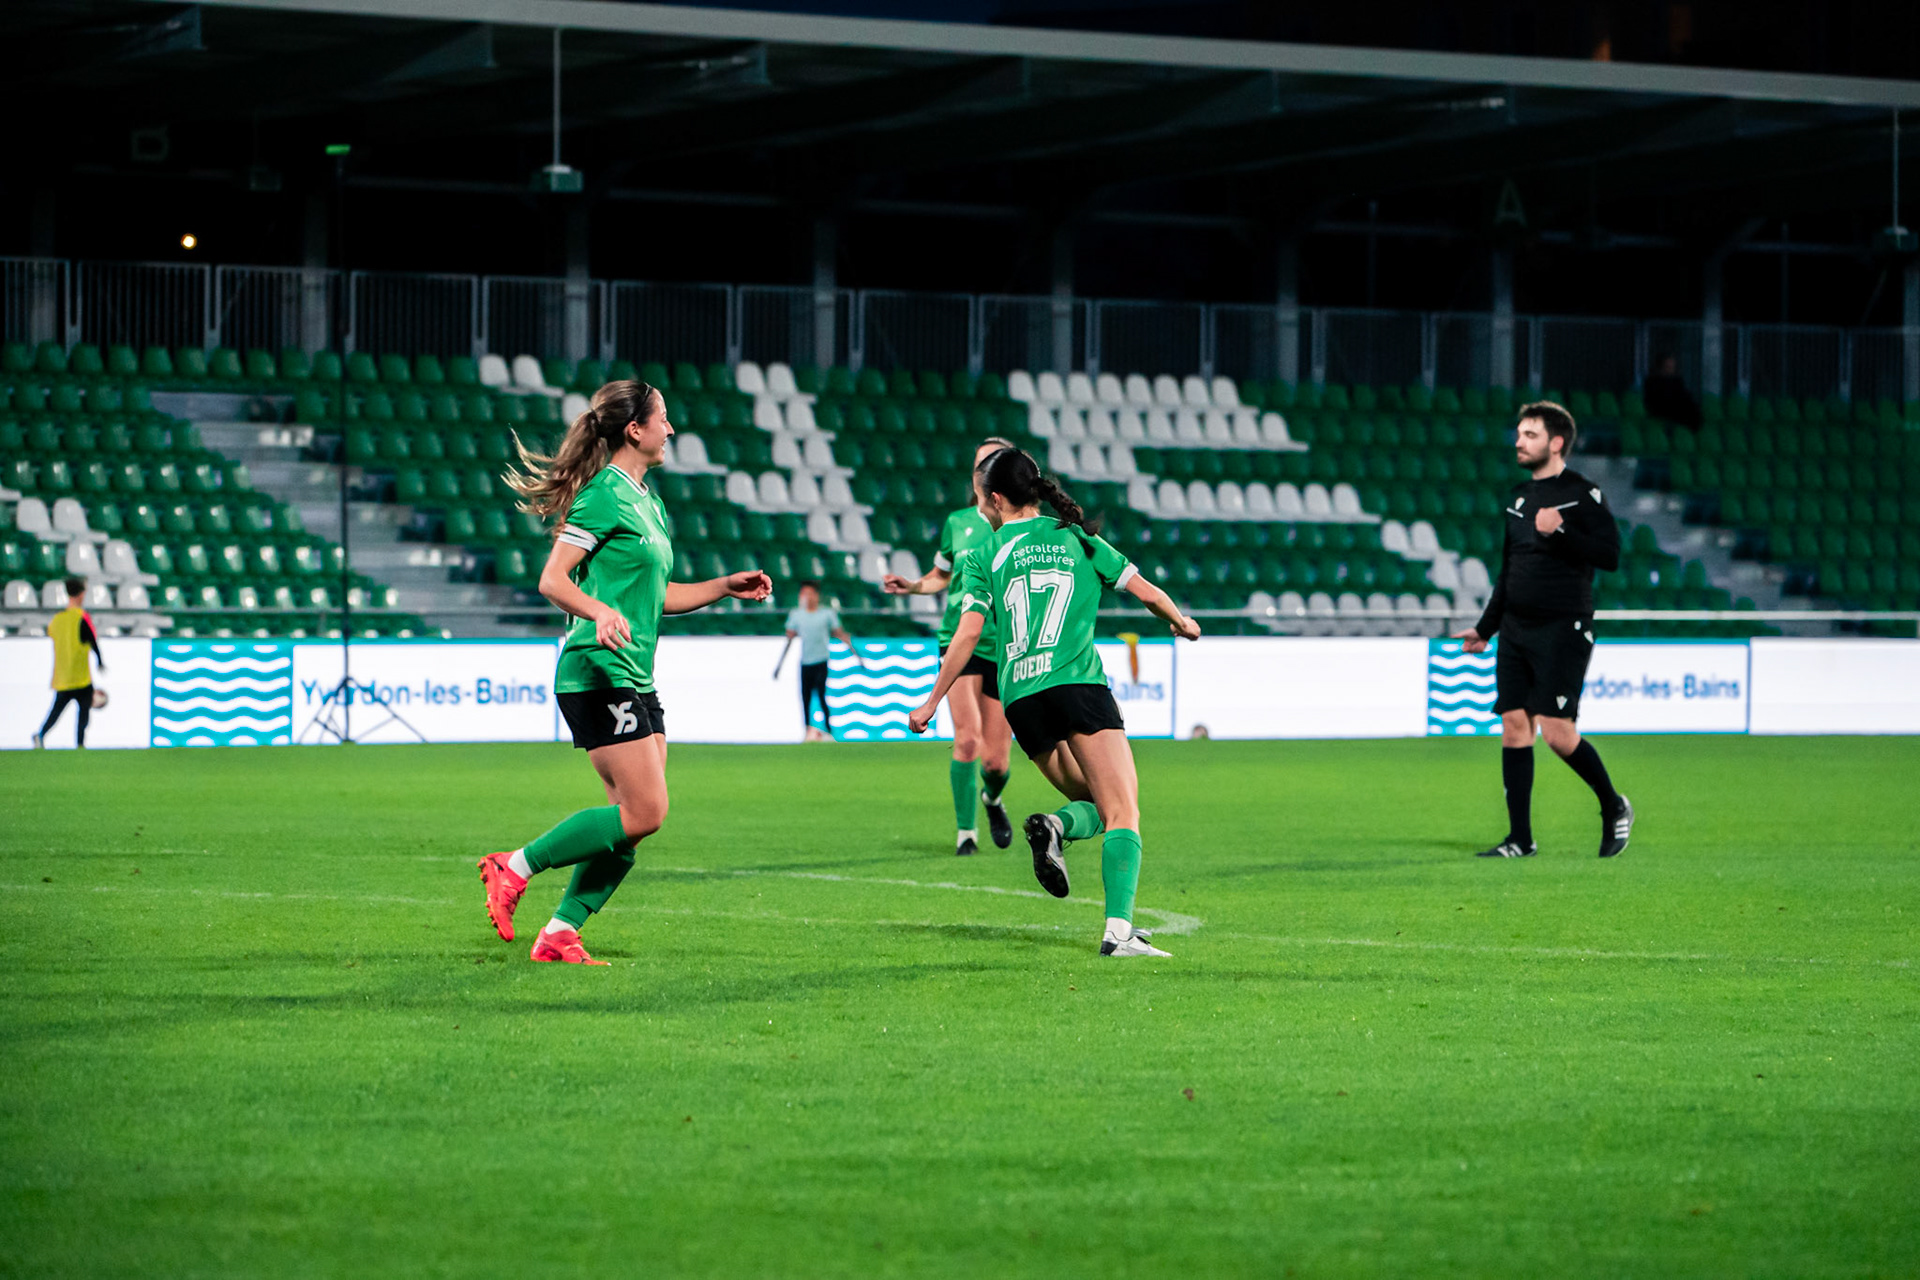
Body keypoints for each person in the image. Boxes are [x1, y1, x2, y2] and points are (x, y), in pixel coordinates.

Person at [476, 379, 772, 965]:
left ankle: (560, 933)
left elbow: (657, 595)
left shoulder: (650, 502)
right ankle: (512, 866)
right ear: (634, 430)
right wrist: (599, 610)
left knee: (632, 822)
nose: (671, 428)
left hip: (635, 673)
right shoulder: (603, 496)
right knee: (646, 811)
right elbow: (553, 580)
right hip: (596, 670)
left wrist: (722, 588)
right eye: (663, 418)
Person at [908, 447, 1201, 956]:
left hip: (1022, 698)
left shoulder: (983, 556)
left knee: (1096, 803)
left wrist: (933, 700)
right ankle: (1118, 932)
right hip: (1077, 688)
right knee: (1123, 809)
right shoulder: (1076, 536)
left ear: (996, 498)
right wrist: (1179, 622)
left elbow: (967, 632)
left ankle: (1056, 826)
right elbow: (1145, 591)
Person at [1453, 401, 1634, 860]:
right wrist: (1486, 627)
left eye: (1529, 434)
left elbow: (1610, 555)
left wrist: (1561, 532)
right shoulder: (1517, 497)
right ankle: (1520, 839)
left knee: (1556, 732)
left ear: (1556, 443)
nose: (1518, 441)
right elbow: (1508, 570)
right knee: (1514, 726)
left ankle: (1613, 805)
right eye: (1518, 433)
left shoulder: (1583, 494)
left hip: (1563, 627)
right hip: (1515, 628)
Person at [882, 438, 1020, 856]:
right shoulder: (958, 523)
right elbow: (942, 575)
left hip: (1007, 644)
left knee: (996, 763)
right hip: (959, 639)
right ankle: (966, 835)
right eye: (980, 463)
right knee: (967, 740)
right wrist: (913, 587)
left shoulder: (1023, 525)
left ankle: (991, 798)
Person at [773, 580, 860, 741]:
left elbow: (840, 634)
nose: (808, 597)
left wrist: (857, 656)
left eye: (810, 593)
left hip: (821, 660)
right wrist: (779, 666)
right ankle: (807, 731)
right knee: (804, 697)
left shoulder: (827, 614)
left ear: (817, 595)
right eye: (804, 593)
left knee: (821, 695)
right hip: (805, 661)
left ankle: (827, 731)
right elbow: (790, 639)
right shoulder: (796, 615)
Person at [33, 577, 105, 749]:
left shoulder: (57, 620)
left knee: (56, 712)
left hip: (62, 675)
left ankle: (41, 735)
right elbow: (92, 640)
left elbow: (53, 636)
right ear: (81, 594)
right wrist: (100, 661)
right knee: (84, 712)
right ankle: (80, 744)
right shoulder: (82, 618)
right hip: (80, 676)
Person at [1642, 353, 1702, 431]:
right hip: (1662, 410)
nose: (1671, 370)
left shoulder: (1677, 381)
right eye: (1668, 367)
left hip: (1677, 409)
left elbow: (1685, 395)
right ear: (1661, 367)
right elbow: (1654, 400)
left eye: (1672, 367)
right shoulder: (1652, 382)